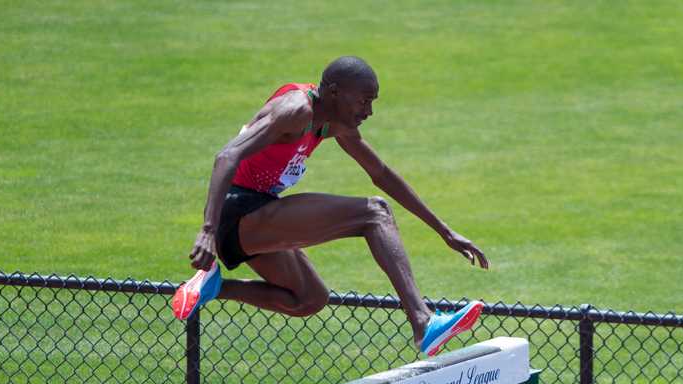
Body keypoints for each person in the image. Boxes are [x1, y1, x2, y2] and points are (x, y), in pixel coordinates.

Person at [172, 56, 489, 356]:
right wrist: (208, 231)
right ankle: (423, 322)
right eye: (364, 100)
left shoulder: (332, 124)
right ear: (335, 92)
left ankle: (214, 287)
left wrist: (443, 231)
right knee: (374, 213)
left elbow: (381, 174)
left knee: (310, 299)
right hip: (236, 211)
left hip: (258, 213)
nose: (369, 111)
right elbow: (227, 156)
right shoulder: (295, 109)